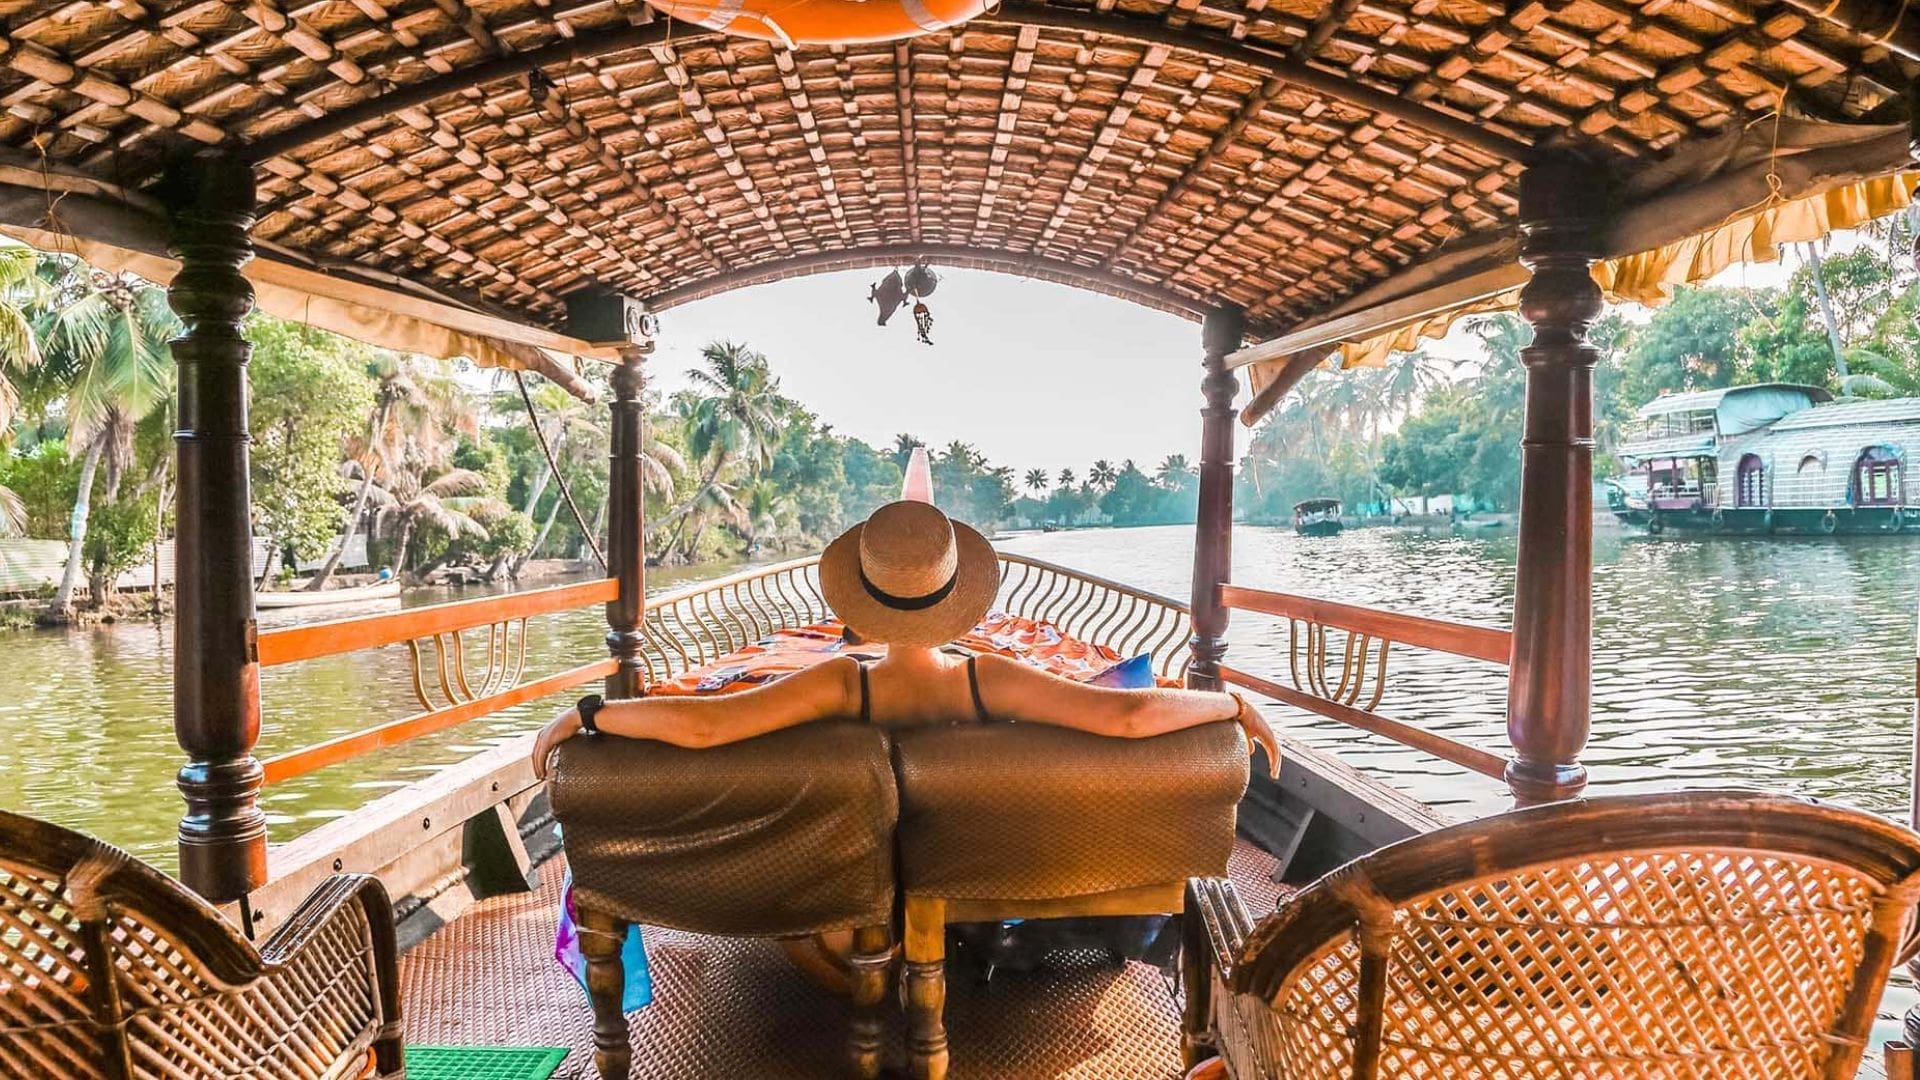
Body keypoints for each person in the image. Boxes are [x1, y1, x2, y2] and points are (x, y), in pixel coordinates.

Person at [533, 499, 1278, 778]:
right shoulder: (986, 678)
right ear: (961, 601)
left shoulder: (836, 681)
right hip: (973, 860)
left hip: (849, 873)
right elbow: (1130, 715)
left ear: (858, 601)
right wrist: (1232, 706)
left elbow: (704, 724)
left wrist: (592, 713)